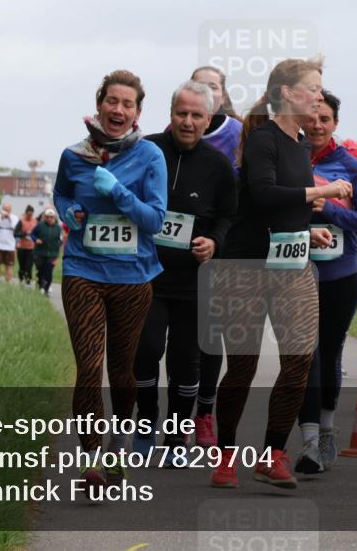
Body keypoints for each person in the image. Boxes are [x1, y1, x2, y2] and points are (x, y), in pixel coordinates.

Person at [210, 58, 351, 490]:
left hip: (292, 265)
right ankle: (227, 456)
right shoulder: (263, 140)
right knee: (243, 367)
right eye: (313, 88)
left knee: (299, 363)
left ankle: (273, 453)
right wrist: (323, 190)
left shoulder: (302, 143)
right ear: (287, 93)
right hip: (247, 266)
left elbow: (285, 211)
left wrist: (308, 234)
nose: (320, 96)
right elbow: (265, 196)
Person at [53, 69, 167, 490]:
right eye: (112, 101)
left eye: (127, 104)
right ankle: (92, 458)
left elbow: (155, 220)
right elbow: (63, 193)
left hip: (133, 276)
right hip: (83, 269)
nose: (118, 109)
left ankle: (118, 445)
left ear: (137, 112)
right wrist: (68, 212)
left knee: (122, 370)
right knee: (88, 368)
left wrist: (117, 190)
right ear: (99, 103)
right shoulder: (73, 155)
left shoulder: (150, 156)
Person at [133, 80, 237, 460]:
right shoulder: (147, 151)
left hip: (193, 280)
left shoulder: (218, 165)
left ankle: (177, 436)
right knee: (144, 351)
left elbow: (228, 216)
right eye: (182, 113)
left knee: (185, 360)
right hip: (147, 274)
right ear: (170, 113)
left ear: (208, 120)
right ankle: (146, 419)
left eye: (197, 115)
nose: (188, 121)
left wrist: (215, 243)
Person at [294, 89, 357, 474]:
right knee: (302, 356)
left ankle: (326, 429)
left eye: (324, 119)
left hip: (340, 276)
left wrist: (329, 209)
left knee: (326, 354)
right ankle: (309, 442)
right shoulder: (287, 159)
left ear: (335, 124)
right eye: (311, 116)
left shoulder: (349, 166)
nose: (316, 124)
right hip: (294, 274)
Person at [189, 65, 244, 445]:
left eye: (212, 87)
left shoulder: (238, 135)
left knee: (211, 335)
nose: (205, 93)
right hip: (180, 249)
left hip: (225, 246)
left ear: (222, 96)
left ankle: (204, 413)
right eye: (198, 87)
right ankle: (174, 411)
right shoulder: (180, 128)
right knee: (180, 338)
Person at [32, 207, 64, 295]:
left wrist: (58, 245)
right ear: (45, 217)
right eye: (47, 217)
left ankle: (46, 289)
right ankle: (40, 286)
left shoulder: (58, 228)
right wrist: (36, 240)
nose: (49, 219)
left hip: (52, 254)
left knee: (49, 272)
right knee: (40, 271)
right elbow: (32, 234)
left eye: (51, 217)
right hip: (40, 253)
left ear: (54, 218)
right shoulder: (40, 225)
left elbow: (61, 239)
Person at [0, 204, 19, 283]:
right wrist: (1, 219)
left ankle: (8, 283)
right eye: (5, 210)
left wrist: (9, 219)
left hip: (10, 246)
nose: (6, 211)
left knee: (9, 266)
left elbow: (16, 228)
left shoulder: (14, 218)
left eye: (8, 210)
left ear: (10, 210)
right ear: (2, 209)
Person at [16, 205, 38, 286]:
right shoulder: (21, 221)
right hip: (21, 247)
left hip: (31, 248)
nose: (30, 216)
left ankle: (28, 282)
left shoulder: (35, 222)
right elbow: (15, 233)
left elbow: (38, 233)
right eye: (28, 214)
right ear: (26, 213)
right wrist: (25, 234)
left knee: (29, 266)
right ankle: (21, 280)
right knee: (22, 266)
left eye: (31, 214)